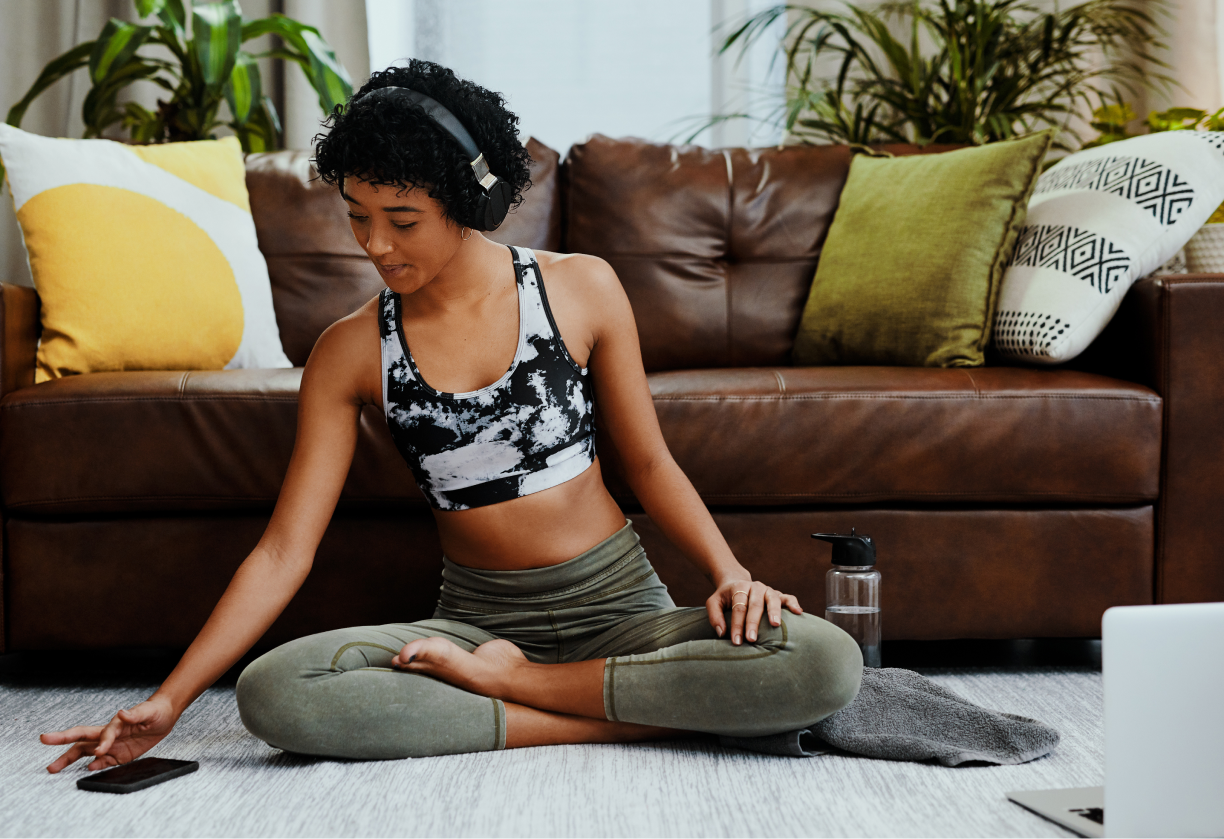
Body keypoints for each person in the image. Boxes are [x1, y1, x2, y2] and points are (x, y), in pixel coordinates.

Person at [40, 60, 863, 771]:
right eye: (357, 216)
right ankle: (625, 713)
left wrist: (729, 574)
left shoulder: (580, 288)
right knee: (274, 693)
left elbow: (649, 466)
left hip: (623, 610)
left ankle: (527, 695)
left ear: (471, 199)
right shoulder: (350, 351)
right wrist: (172, 698)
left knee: (823, 661)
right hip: (472, 626)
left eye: (401, 221)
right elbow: (286, 547)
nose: (374, 245)